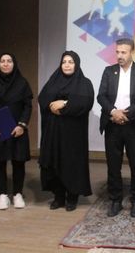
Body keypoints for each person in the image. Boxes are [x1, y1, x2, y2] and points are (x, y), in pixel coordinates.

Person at [97, 39, 135, 218]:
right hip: (112, 123)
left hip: (133, 125)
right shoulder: (109, 71)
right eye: (118, 52)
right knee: (113, 165)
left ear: (132, 52)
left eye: (124, 52)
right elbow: (101, 96)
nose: (119, 55)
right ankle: (115, 200)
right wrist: (114, 112)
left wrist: (126, 114)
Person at [38, 51, 94, 211]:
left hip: (73, 134)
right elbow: (43, 98)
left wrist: (64, 104)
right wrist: (52, 105)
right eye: (64, 62)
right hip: (54, 133)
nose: (67, 65)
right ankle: (59, 197)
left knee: (71, 164)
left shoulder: (84, 83)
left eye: (71, 62)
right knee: (54, 163)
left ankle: (72, 197)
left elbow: (85, 103)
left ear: (76, 64)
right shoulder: (53, 80)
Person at [0, 53, 33, 210]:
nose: (6, 64)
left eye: (9, 61)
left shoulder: (22, 83)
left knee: (18, 162)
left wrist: (22, 125)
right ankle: (2, 194)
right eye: (2, 61)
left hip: (17, 129)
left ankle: (17, 194)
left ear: (14, 64)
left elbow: (27, 106)